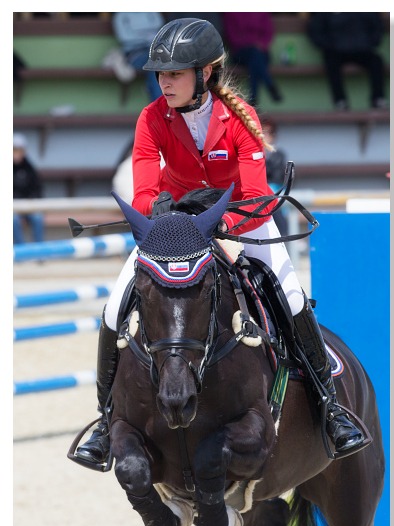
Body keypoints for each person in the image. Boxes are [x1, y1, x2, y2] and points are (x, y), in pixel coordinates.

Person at [75, 17, 365, 466]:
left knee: (290, 298)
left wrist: (221, 225)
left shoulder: (240, 118)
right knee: (115, 306)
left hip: (243, 226)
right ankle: (103, 418)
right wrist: (175, 222)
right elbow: (146, 194)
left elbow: (257, 198)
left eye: (174, 73)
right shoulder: (151, 119)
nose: (163, 82)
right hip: (177, 230)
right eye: (160, 74)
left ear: (204, 73)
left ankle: (329, 408)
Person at [307, 12, 387, 110]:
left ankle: (378, 99)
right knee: (331, 63)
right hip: (335, 50)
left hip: (362, 49)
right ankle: (340, 101)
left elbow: (377, 27)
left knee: (376, 61)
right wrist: (329, 46)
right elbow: (316, 30)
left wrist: (370, 43)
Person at [221, 12, 282, 107]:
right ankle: (268, 84)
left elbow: (268, 32)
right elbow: (232, 37)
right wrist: (251, 44)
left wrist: (260, 45)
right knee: (255, 58)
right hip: (241, 52)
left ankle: (253, 99)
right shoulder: (231, 13)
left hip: (260, 52)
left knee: (255, 59)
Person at [112, 12, 164, 103]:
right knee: (154, 61)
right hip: (134, 54)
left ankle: (158, 104)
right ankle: (159, 105)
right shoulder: (121, 15)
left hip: (154, 51)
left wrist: (142, 35)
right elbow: (124, 37)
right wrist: (146, 37)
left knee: (158, 60)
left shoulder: (151, 12)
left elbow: (160, 28)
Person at [13, 133, 45, 244]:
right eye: (13, 150)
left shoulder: (29, 168)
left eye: (19, 150)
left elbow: (37, 189)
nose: (16, 154)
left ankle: (39, 251)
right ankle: (22, 251)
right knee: (12, 220)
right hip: (13, 207)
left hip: (29, 206)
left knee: (37, 218)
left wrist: (31, 202)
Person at [263, 121, 288, 236]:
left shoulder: (278, 154)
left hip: (273, 194)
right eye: (263, 132)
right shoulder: (250, 152)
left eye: (269, 133)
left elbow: (277, 177)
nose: (265, 136)